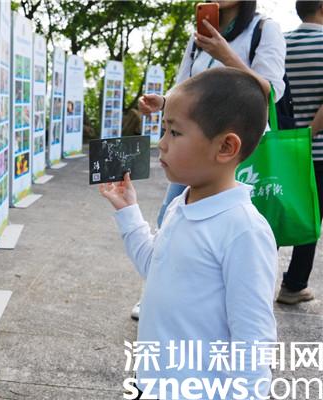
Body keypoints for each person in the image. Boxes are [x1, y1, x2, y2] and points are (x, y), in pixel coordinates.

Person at [101, 68, 277, 400]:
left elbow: (253, 340)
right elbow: (155, 266)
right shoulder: (181, 204)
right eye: (163, 130)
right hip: (151, 382)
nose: (162, 144)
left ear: (225, 147)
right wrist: (128, 211)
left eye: (175, 132)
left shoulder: (244, 231)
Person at [133, 0, 286, 320]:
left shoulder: (264, 29)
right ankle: (157, 291)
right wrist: (164, 102)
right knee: (171, 214)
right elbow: (185, 88)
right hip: (195, 147)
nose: (162, 145)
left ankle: (221, 304)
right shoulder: (199, 35)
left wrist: (226, 55)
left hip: (236, 151)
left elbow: (271, 91)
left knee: (225, 229)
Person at [276, 0, 323, 305]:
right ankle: (294, 286)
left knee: (272, 211)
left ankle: (251, 279)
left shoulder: (279, 42)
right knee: (309, 216)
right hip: (317, 151)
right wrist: (308, 135)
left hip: (279, 149)